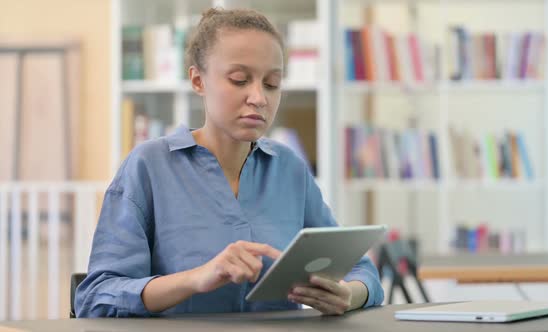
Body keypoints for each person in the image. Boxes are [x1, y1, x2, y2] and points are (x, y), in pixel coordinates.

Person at [75, 7, 384, 317]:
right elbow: (95, 298)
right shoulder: (148, 166)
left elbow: (363, 271)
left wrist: (347, 294)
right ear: (198, 81)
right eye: (239, 80)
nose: (259, 97)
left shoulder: (289, 169)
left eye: (272, 83)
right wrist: (195, 279)